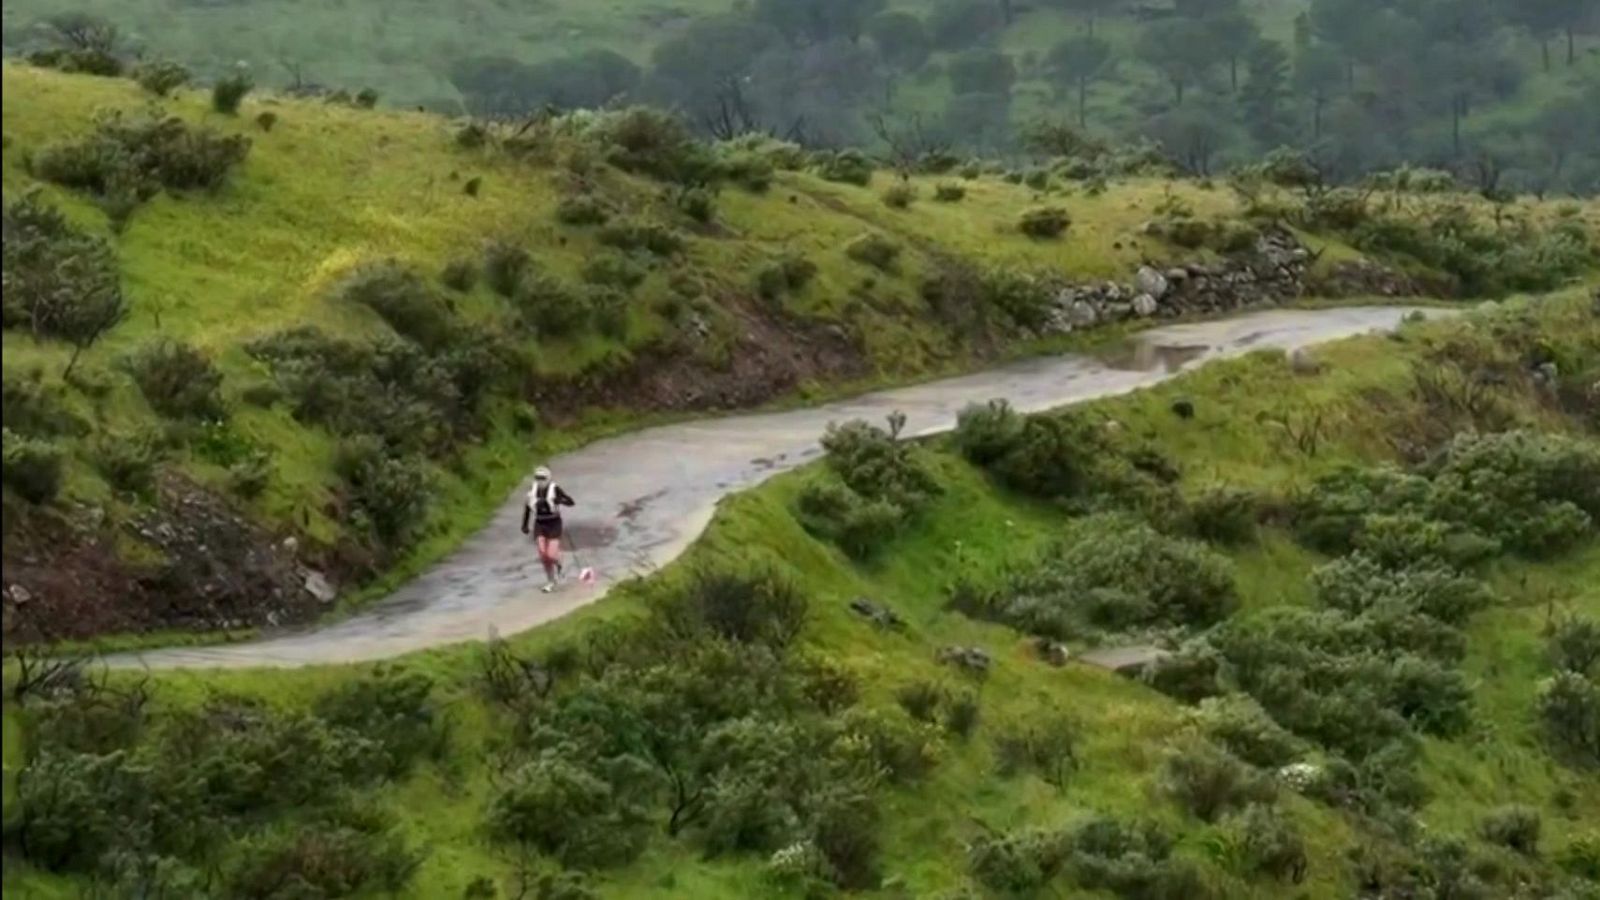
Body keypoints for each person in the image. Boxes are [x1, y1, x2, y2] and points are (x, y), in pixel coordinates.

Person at [521, 466, 575, 593]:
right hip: (540, 523)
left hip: (554, 522)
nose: (540, 481)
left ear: (548, 478)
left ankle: (559, 562)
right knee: (542, 554)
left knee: (550, 554)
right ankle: (550, 581)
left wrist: (559, 500)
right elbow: (528, 507)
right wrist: (524, 524)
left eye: (543, 478)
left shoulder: (554, 489)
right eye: (538, 478)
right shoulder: (532, 491)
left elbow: (571, 502)